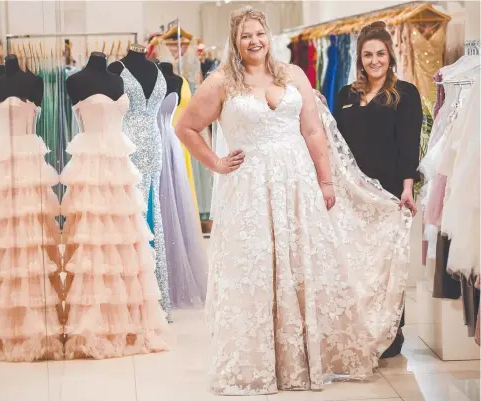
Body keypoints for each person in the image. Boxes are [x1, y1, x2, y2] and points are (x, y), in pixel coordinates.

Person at [176, 7, 412, 396]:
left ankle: (303, 359)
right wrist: (216, 162)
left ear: (268, 37)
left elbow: (313, 130)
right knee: (257, 268)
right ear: (236, 41)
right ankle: (261, 362)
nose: (254, 41)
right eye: (246, 35)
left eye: (259, 34)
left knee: (301, 265)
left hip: (297, 183)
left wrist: (325, 180)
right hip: (250, 189)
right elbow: (186, 127)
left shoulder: (293, 75)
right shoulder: (221, 82)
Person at [333, 21, 422, 358]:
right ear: (359, 58)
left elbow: (409, 145)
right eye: (368, 55)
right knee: (357, 264)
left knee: (387, 266)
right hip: (352, 193)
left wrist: (407, 188)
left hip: (387, 193)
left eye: (380, 54)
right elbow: (335, 143)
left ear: (390, 56)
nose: (374, 61)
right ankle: (360, 330)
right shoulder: (345, 95)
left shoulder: (406, 94)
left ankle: (391, 336)